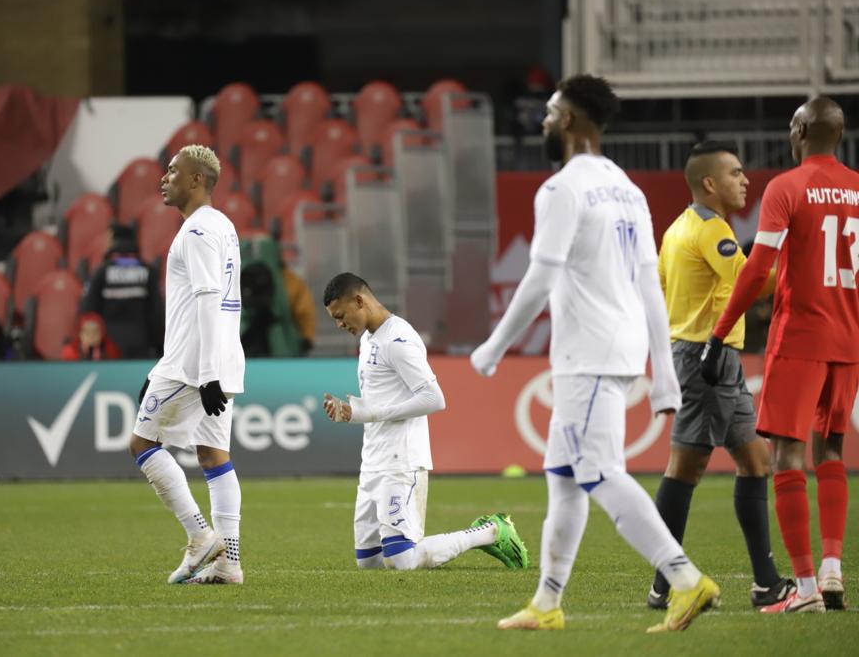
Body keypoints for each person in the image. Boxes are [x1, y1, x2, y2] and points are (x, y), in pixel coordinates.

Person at [470, 74, 718, 633]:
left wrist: (493, 346)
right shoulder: (627, 188)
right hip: (621, 346)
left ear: (573, 122)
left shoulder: (562, 188)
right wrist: (661, 372)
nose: (543, 121)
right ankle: (547, 602)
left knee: (599, 472)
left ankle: (685, 578)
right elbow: (649, 285)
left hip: (587, 352)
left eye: (551, 112)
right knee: (562, 475)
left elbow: (539, 277)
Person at [702, 96, 859, 613]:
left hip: (800, 337)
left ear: (801, 129)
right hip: (848, 340)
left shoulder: (787, 188)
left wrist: (720, 331)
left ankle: (807, 588)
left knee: (787, 457)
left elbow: (755, 269)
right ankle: (835, 571)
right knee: (831, 451)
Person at [648, 141, 792, 611]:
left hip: (701, 355)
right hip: (706, 359)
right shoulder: (712, 231)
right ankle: (664, 583)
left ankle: (766, 583)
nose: (745, 179)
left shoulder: (675, 230)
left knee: (756, 461)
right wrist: (794, 261)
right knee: (685, 469)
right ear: (709, 183)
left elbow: (666, 293)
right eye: (735, 172)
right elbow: (755, 282)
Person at [321, 272, 528, 572]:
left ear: (359, 301)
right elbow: (382, 401)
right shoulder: (368, 339)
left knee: (402, 560)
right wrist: (350, 410)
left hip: (401, 460)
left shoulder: (398, 340)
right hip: (373, 460)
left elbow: (434, 398)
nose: (339, 324)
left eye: (340, 316)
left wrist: (374, 413)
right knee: (369, 562)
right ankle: (487, 532)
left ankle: (492, 531)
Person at [128, 145, 246, 584]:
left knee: (142, 445)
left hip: (194, 365)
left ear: (196, 179)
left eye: (174, 171)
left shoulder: (195, 232)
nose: (164, 178)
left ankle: (200, 537)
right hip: (219, 359)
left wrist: (206, 372)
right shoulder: (224, 226)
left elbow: (207, 298)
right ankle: (228, 562)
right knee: (214, 456)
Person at [80, 223, 162, 358]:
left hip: (109, 349)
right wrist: (157, 345)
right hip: (142, 345)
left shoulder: (101, 272)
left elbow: (89, 311)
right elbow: (156, 313)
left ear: (113, 240)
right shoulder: (148, 271)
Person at [282, 260, 315, 354]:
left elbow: (305, 312)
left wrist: (307, 337)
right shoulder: (291, 280)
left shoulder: (291, 281)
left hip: (287, 338)